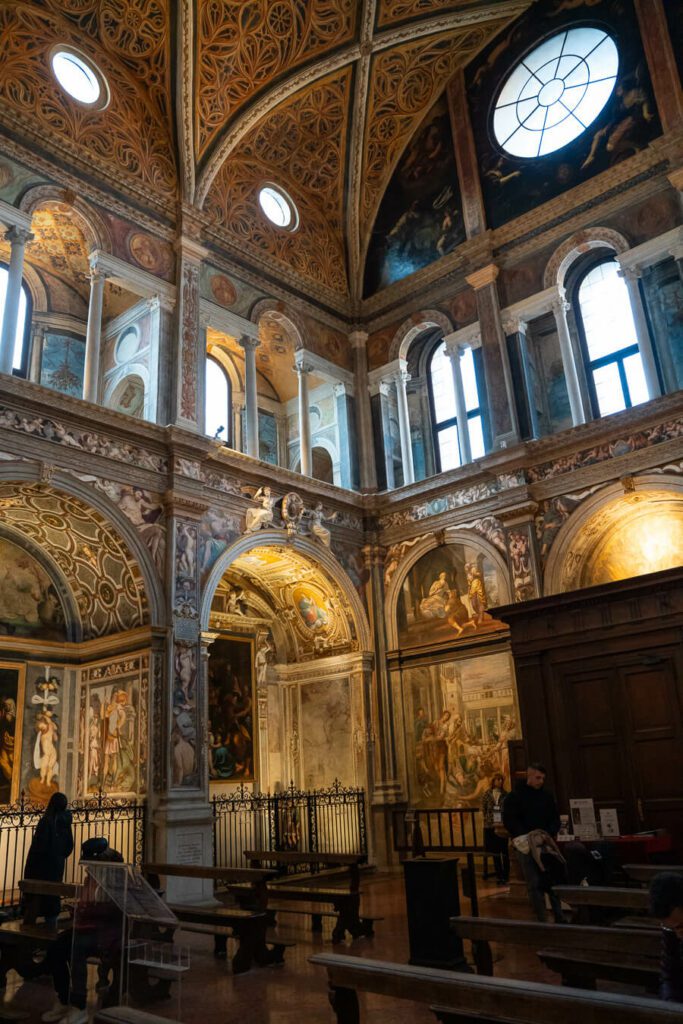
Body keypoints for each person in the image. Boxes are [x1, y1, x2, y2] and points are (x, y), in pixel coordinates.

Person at [42, 838, 125, 1024]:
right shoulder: (93, 876)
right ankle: (64, 999)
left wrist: (88, 909)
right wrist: (80, 908)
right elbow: (87, 901)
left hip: (106, 933)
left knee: (77, 948)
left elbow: (114, 909)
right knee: (57, 947)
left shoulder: (115, 877)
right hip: (87, 928)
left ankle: (79, 1006)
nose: (87, 868)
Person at [502, 762, 563, 922]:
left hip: (545, 843)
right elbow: (510, 820)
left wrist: (548, 833)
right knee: (534, 882)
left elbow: (555, 818)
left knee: (552, 880)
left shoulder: (547, 796)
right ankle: (542, 917)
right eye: (538, 777)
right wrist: (525, 836)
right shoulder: (514, 797)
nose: (541, 781)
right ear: (529, 776)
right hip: (525, 845)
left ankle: (559, 915)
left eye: (543, 778)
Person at [23, 792, 74, 928]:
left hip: (41, 866)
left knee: (36, 899)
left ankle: (32, 937)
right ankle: (51, 928)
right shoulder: (66, 821)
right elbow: (69, 846)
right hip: (56, 865)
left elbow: (39, 847)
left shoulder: (47, 820)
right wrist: (59, 855)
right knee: (52, 899)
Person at [649, 872, 683, 1002]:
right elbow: (669, 976)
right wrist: (669, 1005)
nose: (678, 935)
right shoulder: (671, 930)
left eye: (681, 927)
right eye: (671, 928)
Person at [481, 774, 509, 885]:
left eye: (502, 779)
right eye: (498, 779)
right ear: (493, 781)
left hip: (502, 825)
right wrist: (488, 819)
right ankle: (499, 874)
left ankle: (506, 875)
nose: (500, 781)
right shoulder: (487, 794)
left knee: (504, 851)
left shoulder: (506, 795)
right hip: (490, 826)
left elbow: (507, 809)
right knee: (495, 852)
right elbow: (484, 809)